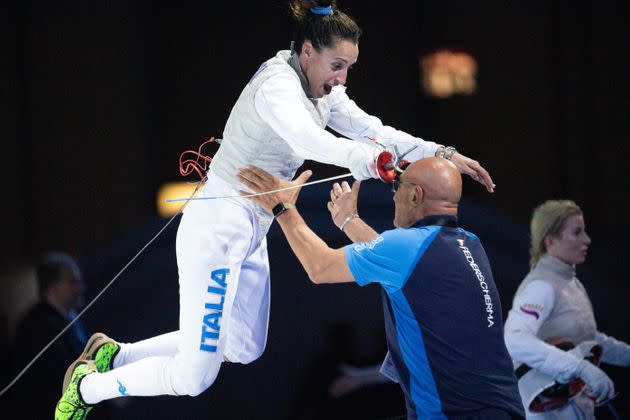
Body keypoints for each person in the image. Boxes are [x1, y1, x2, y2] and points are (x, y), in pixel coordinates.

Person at [55, 1, 495, 418]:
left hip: (253, 225)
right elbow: (309, 140)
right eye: (337, 66)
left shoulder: (324, 89)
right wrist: (368, 161)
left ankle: (118, 353)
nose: (342, 78)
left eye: (349, 68)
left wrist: (441, 151)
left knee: (245, 346)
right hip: (218, 226)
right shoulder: (277, 87)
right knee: (195, 377)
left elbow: (371, 129)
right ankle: (88, 387)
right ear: (307, 52)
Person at [237, 157, 525, 419]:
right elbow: (396, 263)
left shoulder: (407, 248)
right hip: (504, 408)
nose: (394, 195)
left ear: (415, 195)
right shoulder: (469, 243)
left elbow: (320, 267)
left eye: (397, 187)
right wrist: (349, 221)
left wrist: (281, 207)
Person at [503, 200, 630, 419]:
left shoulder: (570, 283)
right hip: (551, 411)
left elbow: (586, 338)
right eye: (577, 232)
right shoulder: (541, 286)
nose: (587, 240)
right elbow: (515, 339)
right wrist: (580, 368)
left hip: (575, 405)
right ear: (550, 241)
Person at [9, 252, 88, 419]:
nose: (80, 287)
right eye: (73, 282)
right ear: (53, 288)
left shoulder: (70, 316)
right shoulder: (36, 326)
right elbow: (62, 376)